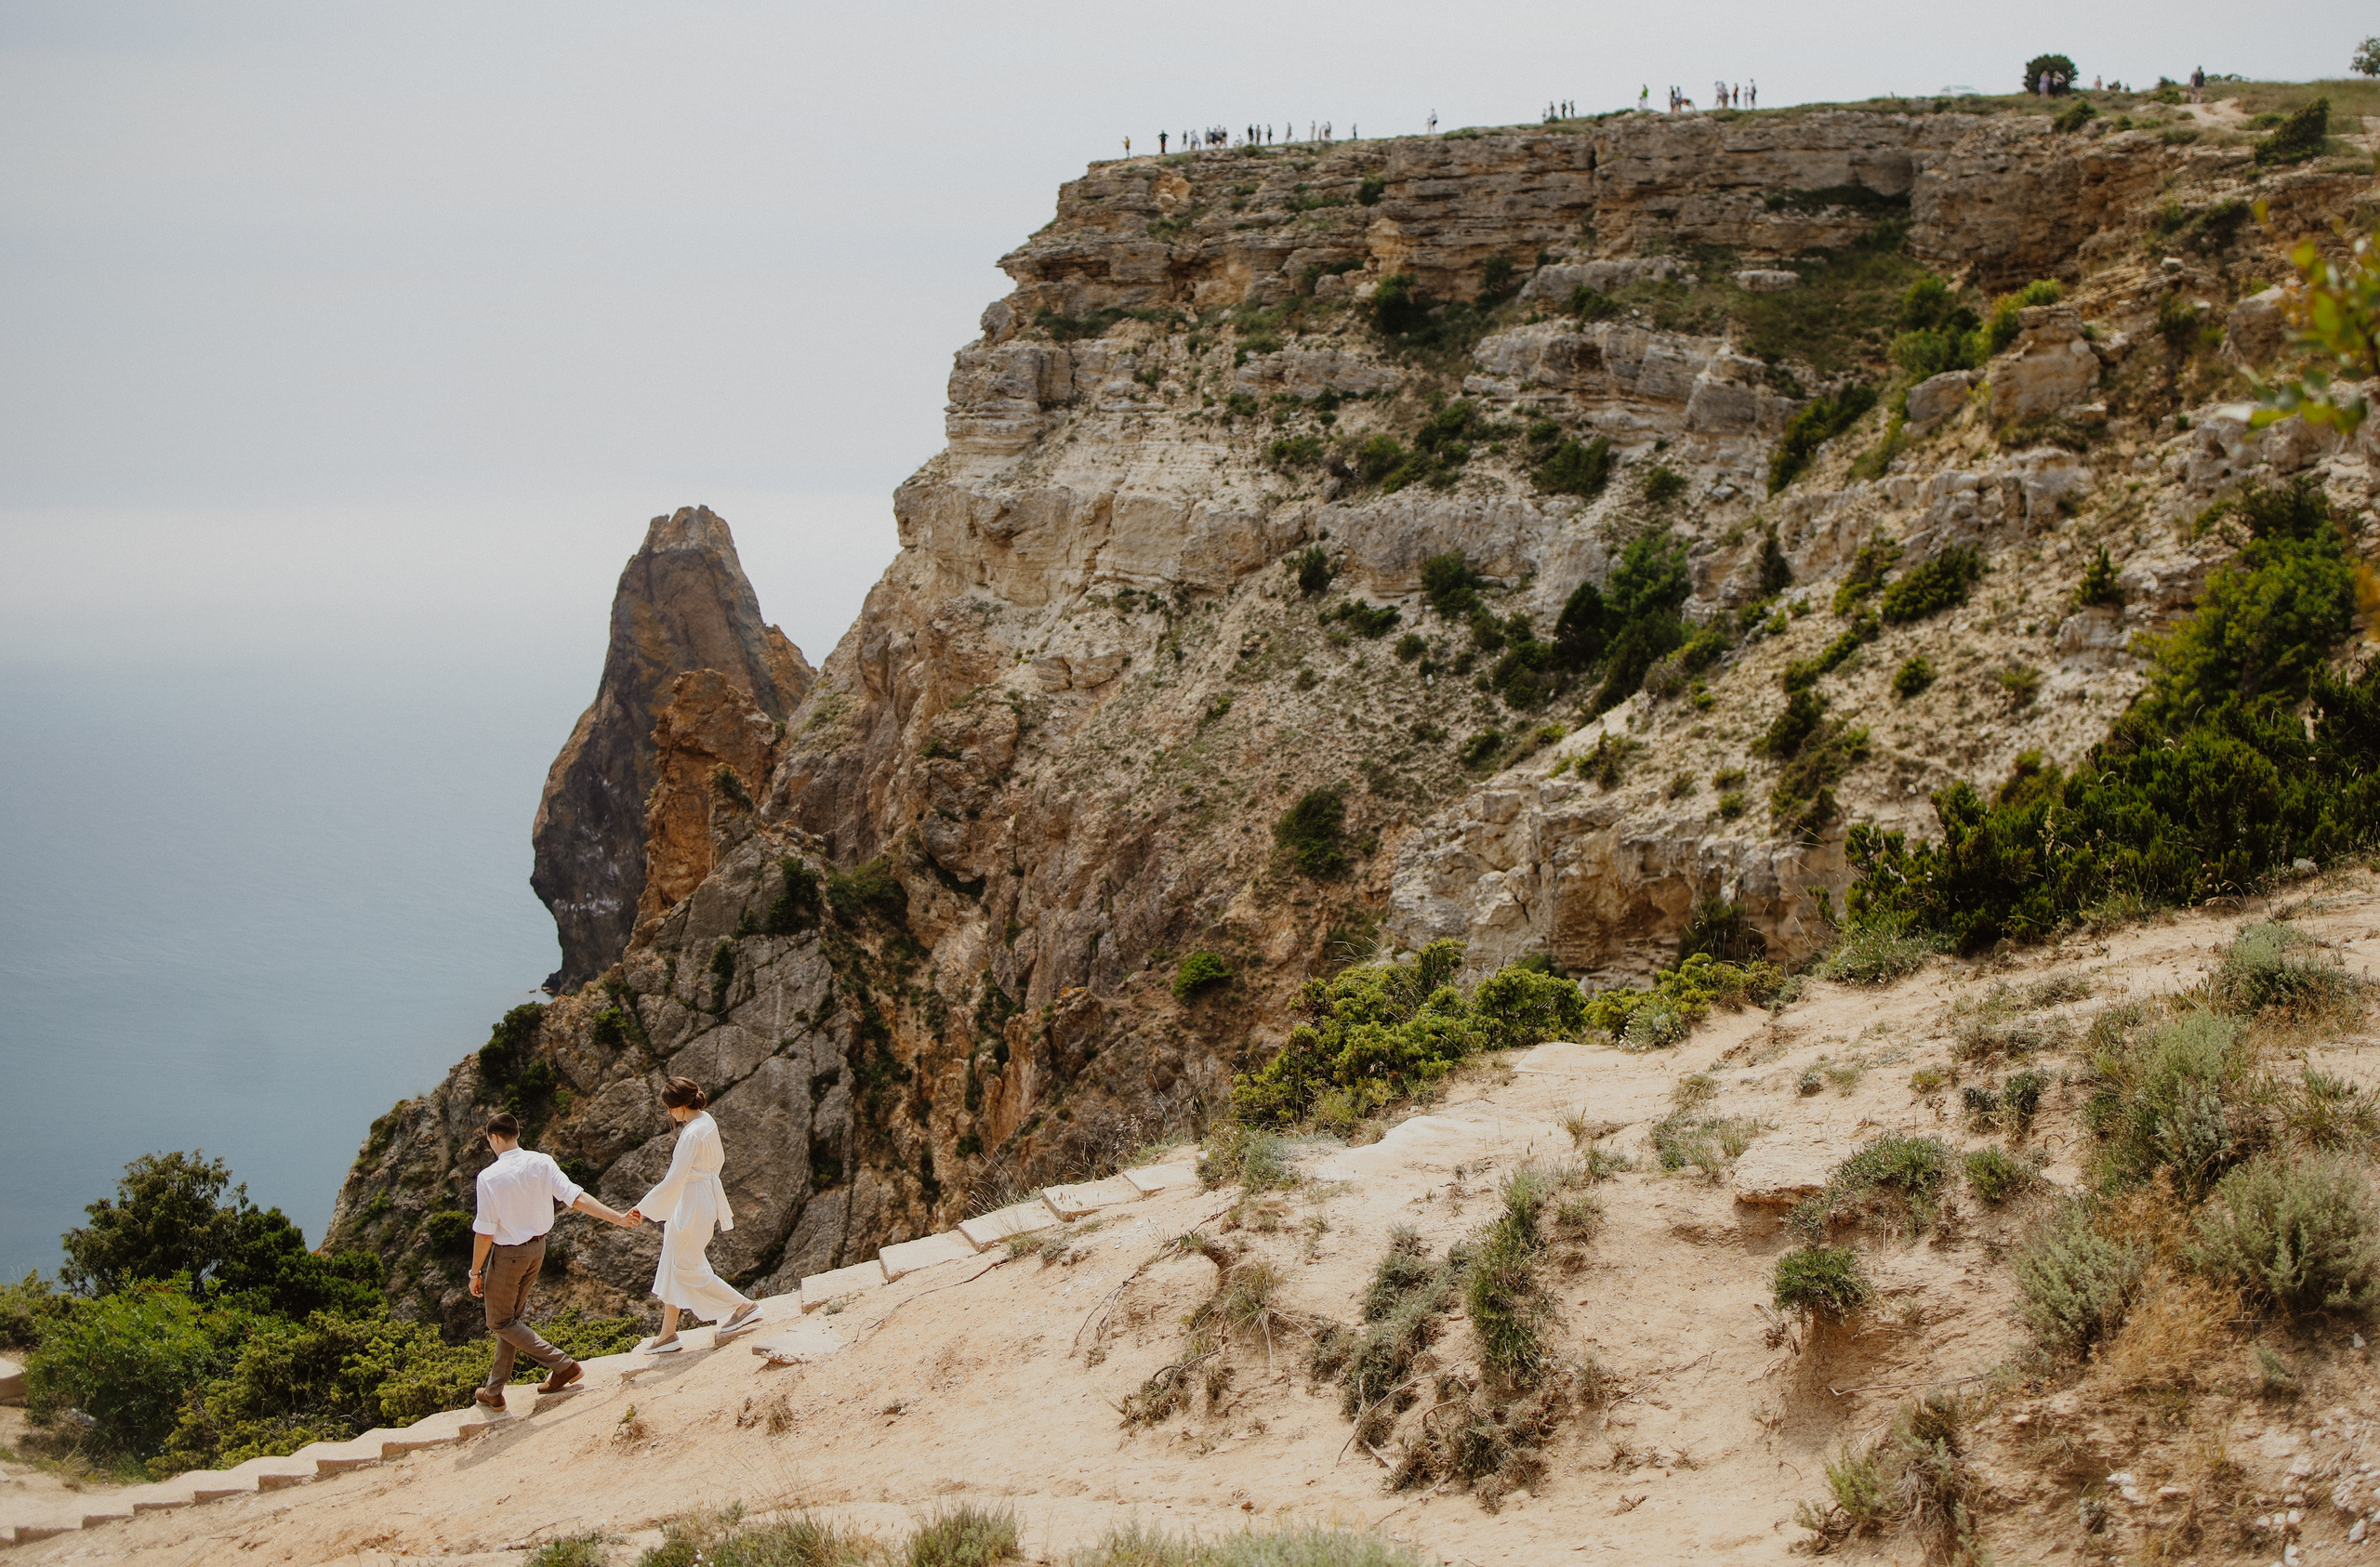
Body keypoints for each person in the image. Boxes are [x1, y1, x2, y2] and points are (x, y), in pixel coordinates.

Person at [467, 1112, 638, 1409]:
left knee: (499, 1321)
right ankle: (494, 1390)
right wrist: (618, 1218)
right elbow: (576, 1197)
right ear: (516, 1134)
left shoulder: (489, 1177)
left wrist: (475, 1271)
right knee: (511, 1322)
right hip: (538, 1250)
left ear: (493, 1138)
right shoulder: (542, 1162)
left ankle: (563, 1365)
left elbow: (484, 1232)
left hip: (508, 1256)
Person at [627, 1077, 762, 1351]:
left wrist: (643, 1208)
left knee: (685, 1266)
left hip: (692, 1201)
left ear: (678, 1107)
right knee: (674, 1263)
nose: (669, 1113)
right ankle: (667, 1335)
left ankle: (743, 1306)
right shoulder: (706, 1121)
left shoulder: (690, 1134)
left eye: (669, 1108)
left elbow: (673, 1180)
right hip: (701, 1196)